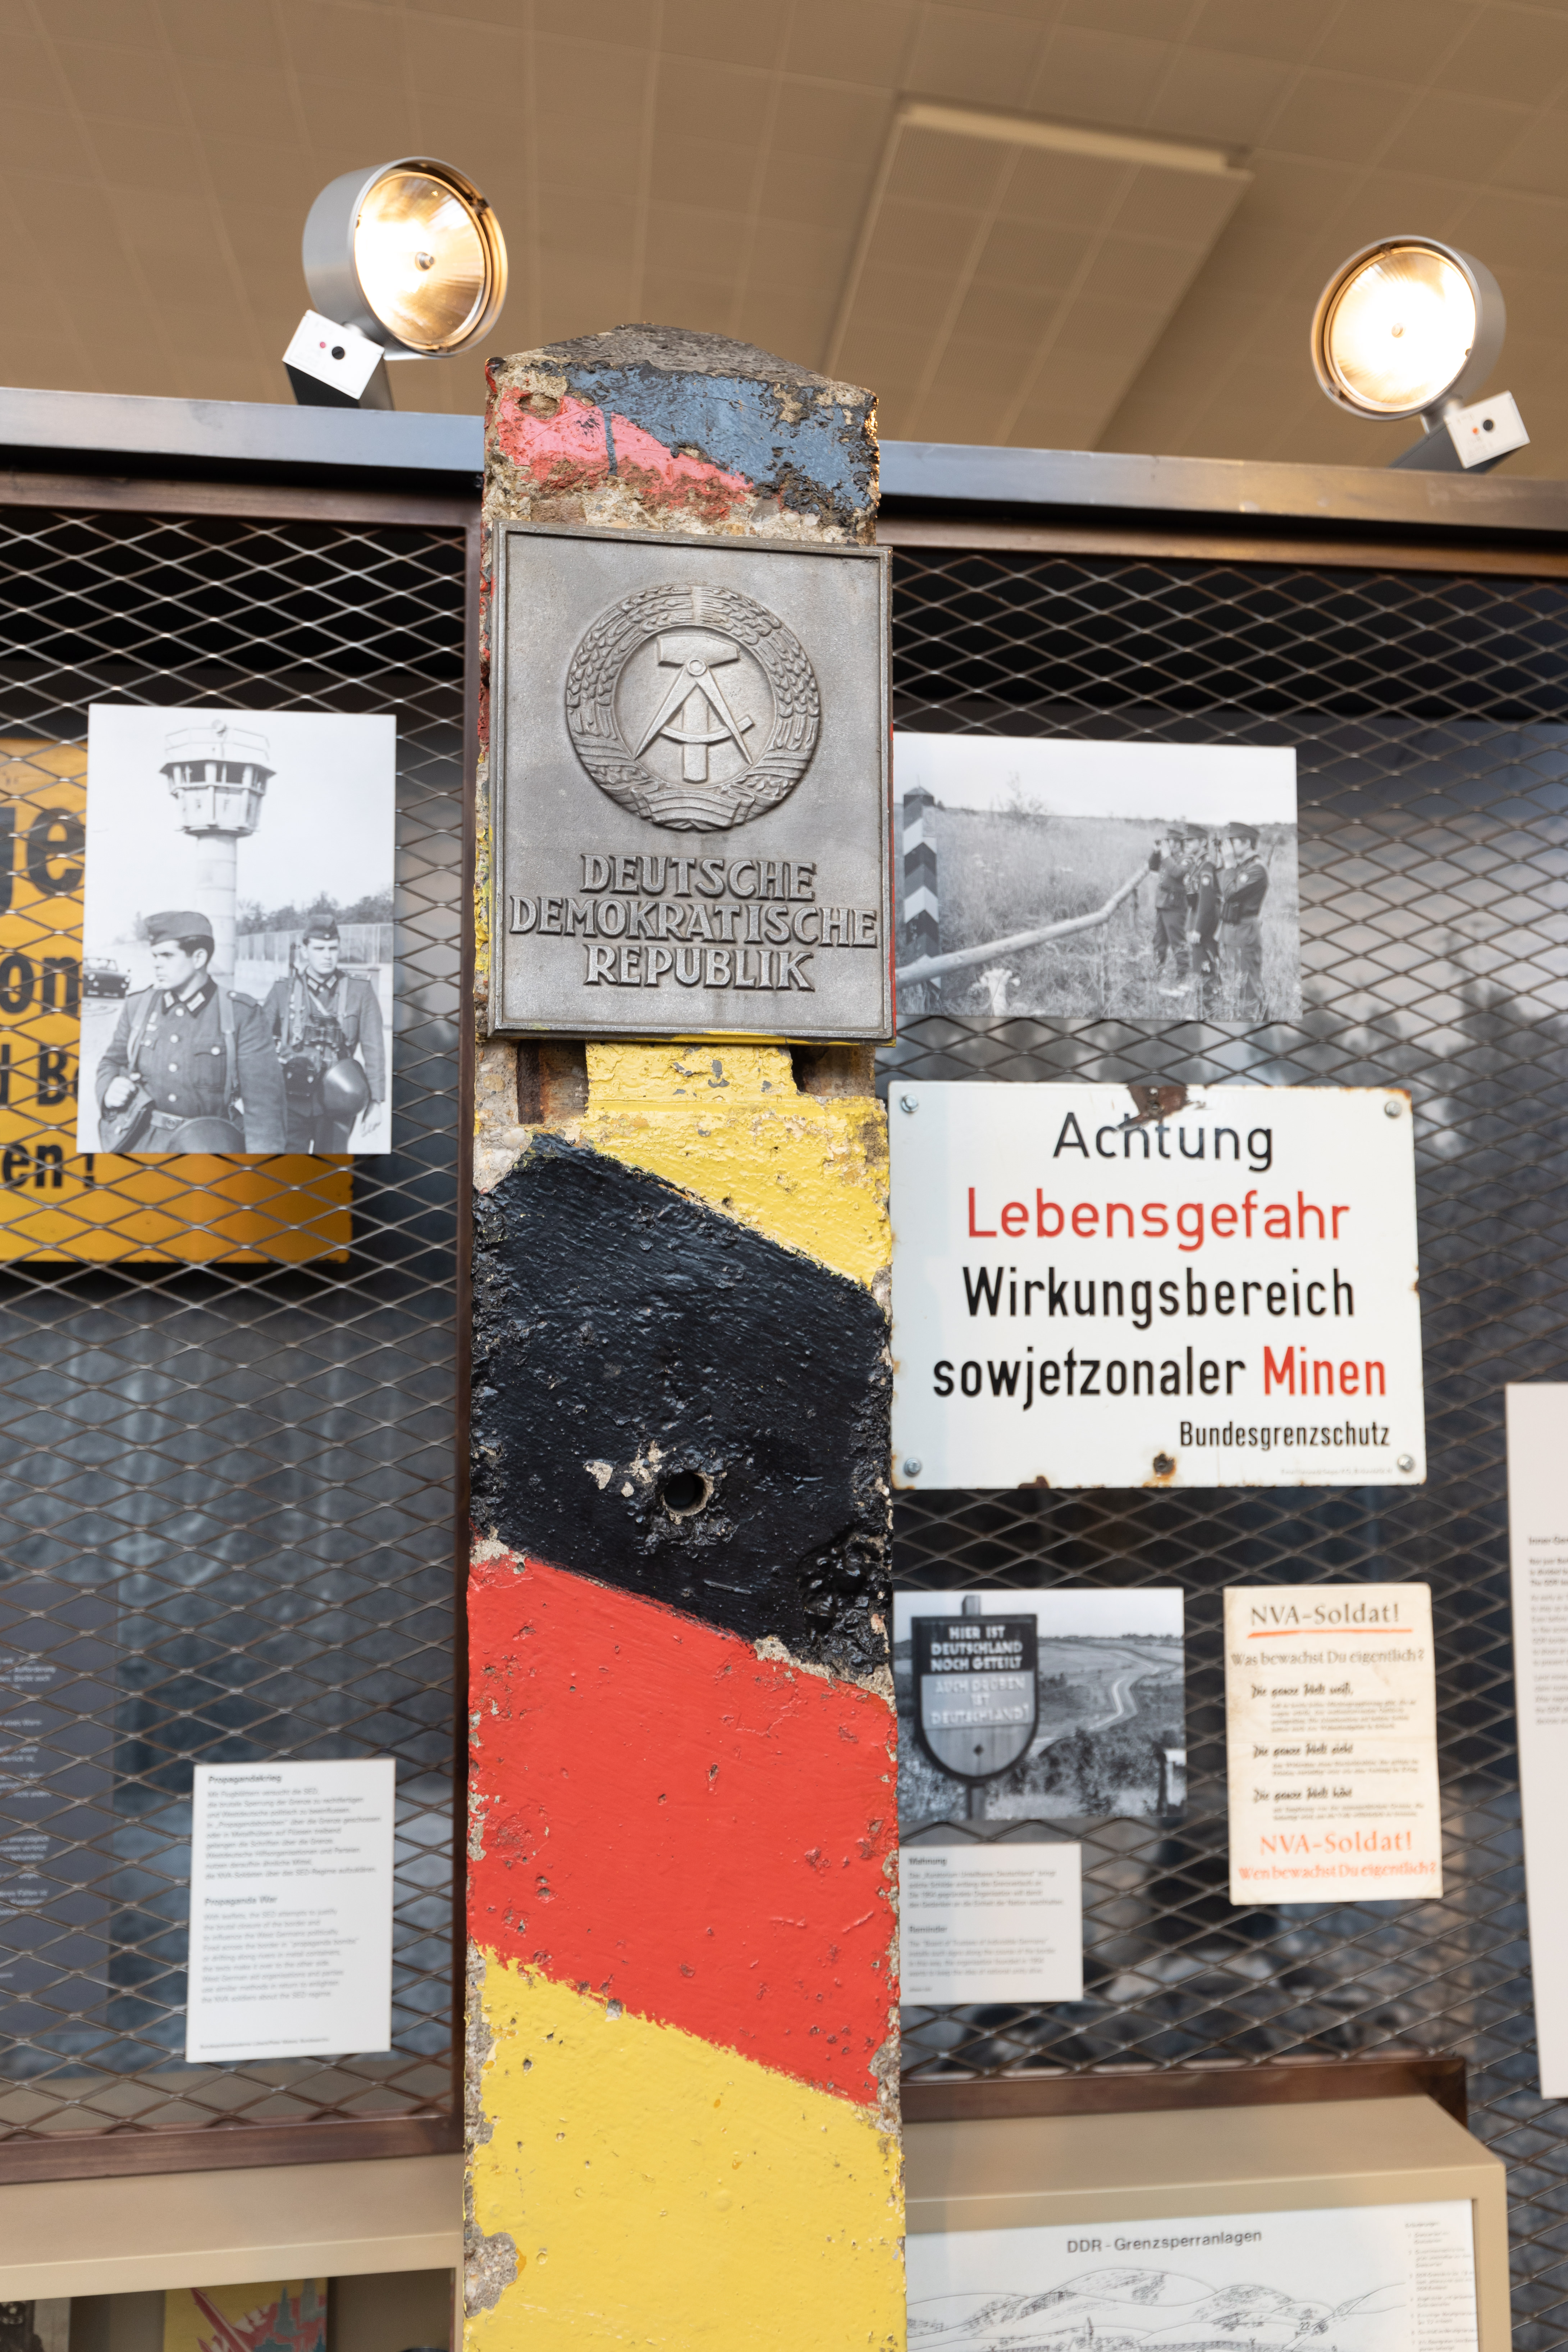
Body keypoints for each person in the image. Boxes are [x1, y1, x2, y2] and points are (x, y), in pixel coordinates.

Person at [95, 910, 287, 1152]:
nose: (157, 964)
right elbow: (112, 1061)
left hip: (210, 1146)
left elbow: (265, 1109)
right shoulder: (138, 1006)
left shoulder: (241, 1014)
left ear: (198, 958)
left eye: (167, 955)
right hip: (142, 1142)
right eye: (155, 956)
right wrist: (108, 1089)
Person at [262, 913, 387, 1153]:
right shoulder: (283, 991)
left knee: (330, 1169)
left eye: (333, 949)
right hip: (292, 1100)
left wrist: (376, 1102)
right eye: (319, 949)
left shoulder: (360, 991)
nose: (327, 956)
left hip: (340, 1100)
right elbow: (258, 1043)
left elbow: (375, 1050)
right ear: (305, 951)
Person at [1221, 821, 1270, 1020]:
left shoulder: (1257, 869)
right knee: (1241, 985)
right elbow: (1222, 886)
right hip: (1234, 932)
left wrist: (1229, 865)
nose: (1228, 848)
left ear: (1247, 843)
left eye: (1232, 842)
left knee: (1248, 990)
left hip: (1244, 933)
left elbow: (1230, 894)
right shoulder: (1243, 867)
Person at [1184, 831, 1224, 1015]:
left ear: (1202, 842)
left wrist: (1198, 929)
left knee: (1205, 966)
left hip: (1205, 925)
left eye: (1191, 840)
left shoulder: (1206, 866)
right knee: (1199, 965)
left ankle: (1210, 1010)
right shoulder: (1197, 865)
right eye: (1185, 841)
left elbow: (1207, 902)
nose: (1186, 844)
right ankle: (1204, 1006)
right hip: (1197, 919)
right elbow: (1194, 900)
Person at [1150, 827, 1192, 992]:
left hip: (1175, 906)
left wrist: (1166, 856)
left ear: (1178, 844)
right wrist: (1156, 852)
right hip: (1162, 903)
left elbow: (1177, 873)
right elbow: (1152, 866)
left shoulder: (1186, 858)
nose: (1167, 845)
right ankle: (1157, 972)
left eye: (1170, 842)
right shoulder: (1167, 857)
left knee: (1177, 941)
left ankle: (1183, 975)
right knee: (1159, 940)